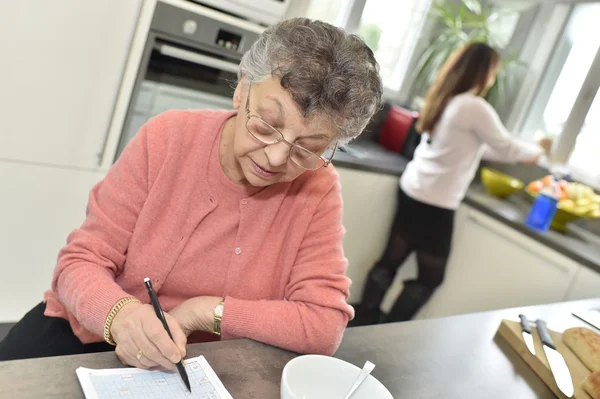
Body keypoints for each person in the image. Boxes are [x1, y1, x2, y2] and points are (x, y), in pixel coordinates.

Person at [0, 18, 383, 366]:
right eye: (266, 126)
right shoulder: (168, 138)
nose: (277, 156)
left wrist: (206, 312)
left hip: (199, 360)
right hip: (89, 331)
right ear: (242, 89)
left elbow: (323, 324)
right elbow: (79, 264)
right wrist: (125, 317)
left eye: (307, 149)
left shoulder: (317, 187)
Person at [351, 42, 547, 327]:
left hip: (413, 189)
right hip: (435, 203)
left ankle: (366, 320)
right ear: (484, 72)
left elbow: (480, 148)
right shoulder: (474, 106)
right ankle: (390, 329)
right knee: (431, 277)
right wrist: (539, 153)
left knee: (390, 260)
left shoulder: (447, 98)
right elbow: (506, 148)